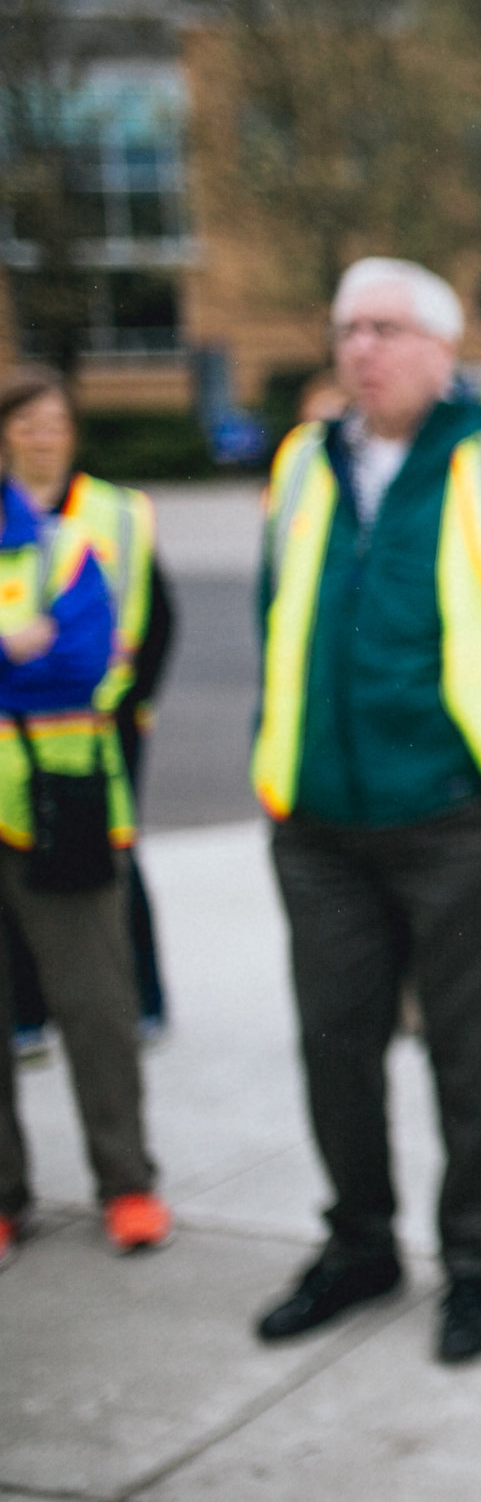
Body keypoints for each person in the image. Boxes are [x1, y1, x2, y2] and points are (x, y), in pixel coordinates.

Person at [249, 257, 481, 1365]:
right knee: (333, 1045)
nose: (360, 348)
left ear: (442, 351)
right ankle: (359, 1243)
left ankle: (474, 1261)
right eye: (348, 326)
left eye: (386, 328)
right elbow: (278, 610)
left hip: (457, 821)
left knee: (470, 1057)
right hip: (319, 825)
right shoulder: (305, 461)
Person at [0, 387, 170, 1267]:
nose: (38, 440)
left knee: (97, 1007)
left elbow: (80, 658)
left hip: (59, 802)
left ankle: (127, 1184)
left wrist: (37, 647)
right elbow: (32, 657)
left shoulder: (66, 549)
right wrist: (11, 644)